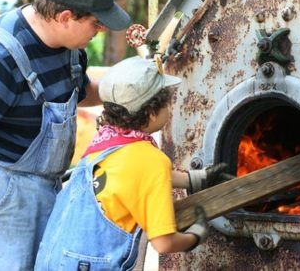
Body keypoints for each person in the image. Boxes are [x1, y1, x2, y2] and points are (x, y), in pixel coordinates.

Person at [0, 0, 132, 270]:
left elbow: (77, 90)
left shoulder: (69, 46)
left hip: (43, 190)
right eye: (96, 23)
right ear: (65, 16)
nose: (101, 30)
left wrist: (130, 88)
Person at [35, 56, 212, 270]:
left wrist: (193, 180)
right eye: (168, 104)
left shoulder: (106, 144)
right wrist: (196, 236)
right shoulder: (151, 160)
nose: (170, 109)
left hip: (52, 260)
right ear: (152, 112)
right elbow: (164, 243)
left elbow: (133, 177)